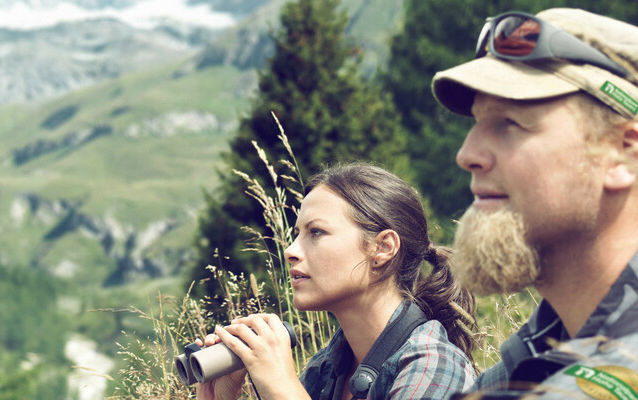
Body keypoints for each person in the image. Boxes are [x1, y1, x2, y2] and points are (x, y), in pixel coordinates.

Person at [431, 8, 638, 397]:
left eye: (510, 122)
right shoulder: (550, 338)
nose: (466, 153)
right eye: (476, 121)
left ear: (623, 152)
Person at [196, 163, 477, 400]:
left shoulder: (435, 366)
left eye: (316, 232)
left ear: (382, 248)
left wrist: (283, 388)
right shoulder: (326, 368)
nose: (290, 251)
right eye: (297, 234)